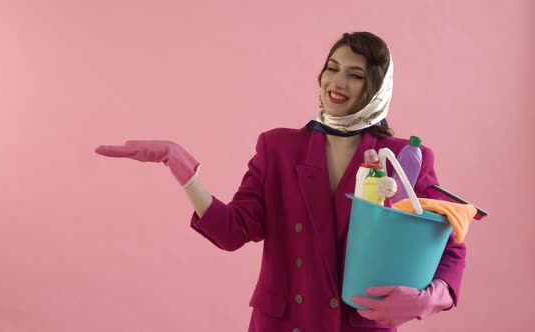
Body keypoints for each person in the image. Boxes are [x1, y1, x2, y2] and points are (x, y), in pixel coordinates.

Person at [95, 32, 465, 332]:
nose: (337, 82)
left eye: (354, 74)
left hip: (358, 326)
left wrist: (431, 297)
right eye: (332, 68)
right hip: (284, 323)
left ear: (377, 87)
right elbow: (232, 230)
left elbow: (447, 244)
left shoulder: (404, 158)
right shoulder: (278, 147)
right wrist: (179, 166)